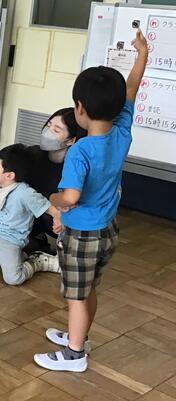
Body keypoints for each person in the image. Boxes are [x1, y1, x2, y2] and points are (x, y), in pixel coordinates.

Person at [34, 30, 148, 373]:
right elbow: (132, 88)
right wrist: (142, 54)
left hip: (82, 235)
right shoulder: (121, 130)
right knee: (88, 289)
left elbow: (70, 197)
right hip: (107, 231)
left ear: (80, 108)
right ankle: (78, 337)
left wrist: (53, 198)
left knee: (76, 296)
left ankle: (74, 355)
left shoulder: (81, 150)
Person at [0, 143, 62, 285]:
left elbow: (50, 209)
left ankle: (37, 262)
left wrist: (58, 219)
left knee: (14, 279)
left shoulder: (25, 193)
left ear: (9, 175)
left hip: (9, 241)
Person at [24, 108, 86, 256]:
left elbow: (75, 203)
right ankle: (36, 239)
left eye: (56, 130)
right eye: (48, 125)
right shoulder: (32, 154)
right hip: (37, 214)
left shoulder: (76, 167)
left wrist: (61, 216)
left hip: (61, 221)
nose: (48, 132)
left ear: (70, 140)